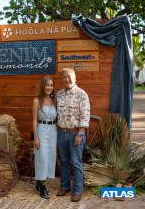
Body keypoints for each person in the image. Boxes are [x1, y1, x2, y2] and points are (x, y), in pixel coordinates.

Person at [56, 68, 90, 202]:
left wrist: (80, 134)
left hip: (76, 133)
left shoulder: (82, 94)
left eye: (69, 77)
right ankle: (65, 186)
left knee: (76, 163)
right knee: (64, 162)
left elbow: (85, 115)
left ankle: (77, 190)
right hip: (61, 133)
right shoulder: (58, 95)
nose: (67, 79)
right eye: (64, 77)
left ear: (75, 78)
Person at [32, 76, 57, 199]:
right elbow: (34, 120)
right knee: (41, 157)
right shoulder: (37, 101)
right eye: (47, 85)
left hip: (53, 130)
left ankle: (39, 180)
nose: (49, 88)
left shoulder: (55, 100)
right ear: (43, 86)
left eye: (51, 85)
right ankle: (42, 185)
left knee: (50, 156)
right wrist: (35, 138)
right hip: (42, 130)